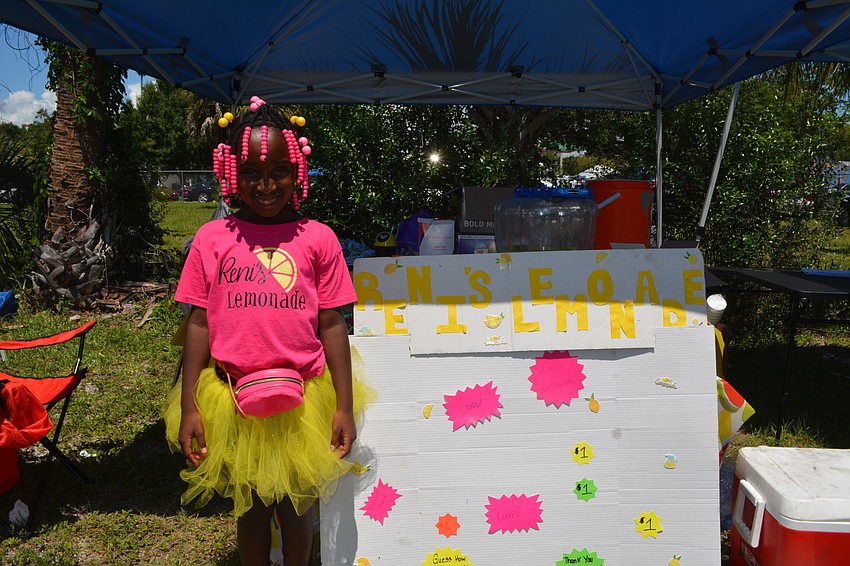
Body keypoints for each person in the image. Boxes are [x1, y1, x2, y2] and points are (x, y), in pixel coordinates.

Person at [164, 97, 373, 566]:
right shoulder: (212, 239)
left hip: (302, 398)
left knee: (295, 507)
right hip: (233, 397)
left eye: (279, 170)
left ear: (297, 169)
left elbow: (333, 323)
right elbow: (198, 323)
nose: (265, 185)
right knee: (251, 509)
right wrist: (189, 405)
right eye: (252, 172)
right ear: (230, 171)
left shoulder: (318, 238)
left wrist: (343, 404)